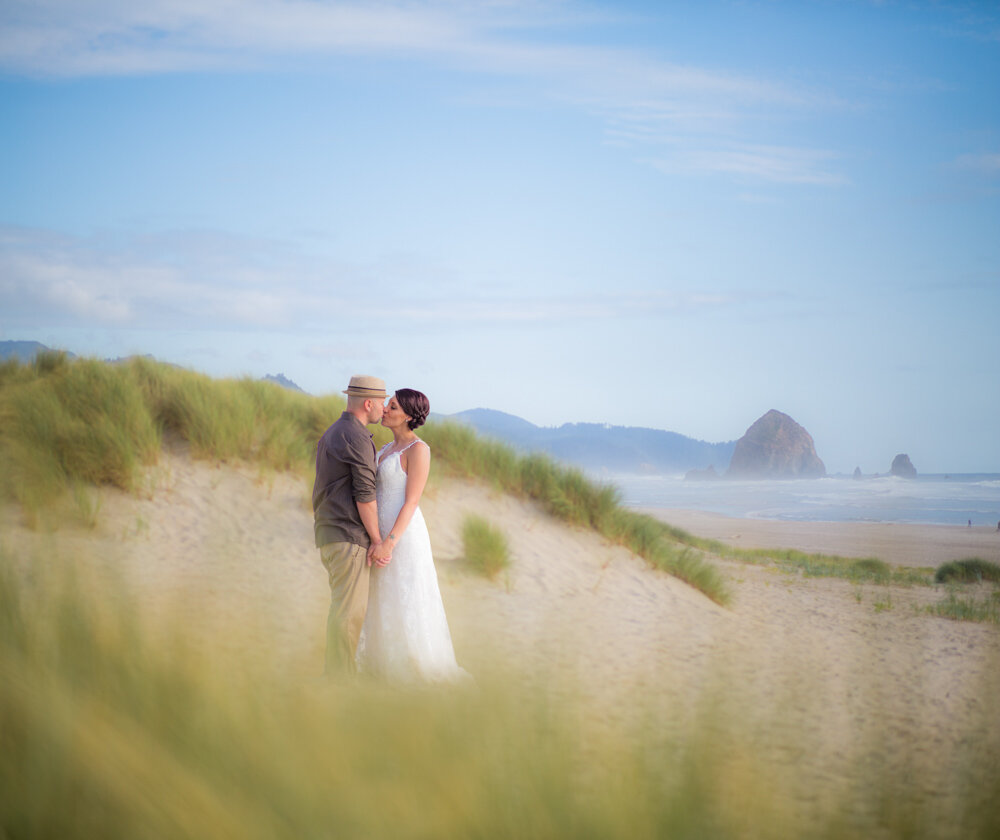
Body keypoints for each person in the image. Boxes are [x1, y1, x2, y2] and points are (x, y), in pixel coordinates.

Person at [357, 388, 468, 683]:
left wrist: (389, 543)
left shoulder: (419, 450)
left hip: (403, 536)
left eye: (392, 407)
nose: (385, 409)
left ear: (407, 416)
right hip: (378, 533)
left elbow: (412, 502)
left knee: (407, 597)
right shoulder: (384, 449)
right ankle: (380, 665)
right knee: (382, 596)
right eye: (387, 404)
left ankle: (412, 668)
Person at [312, 374, 389, 675]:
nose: (384, 408)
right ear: (369, 403)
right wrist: (377, 540)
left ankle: (333, 675)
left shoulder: (333, 431)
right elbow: (365, 496)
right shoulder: (356, 437)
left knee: (341, 610)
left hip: (329, 533)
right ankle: (339, 682)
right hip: (348, 536)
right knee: (349, 614)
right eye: (382, 402)